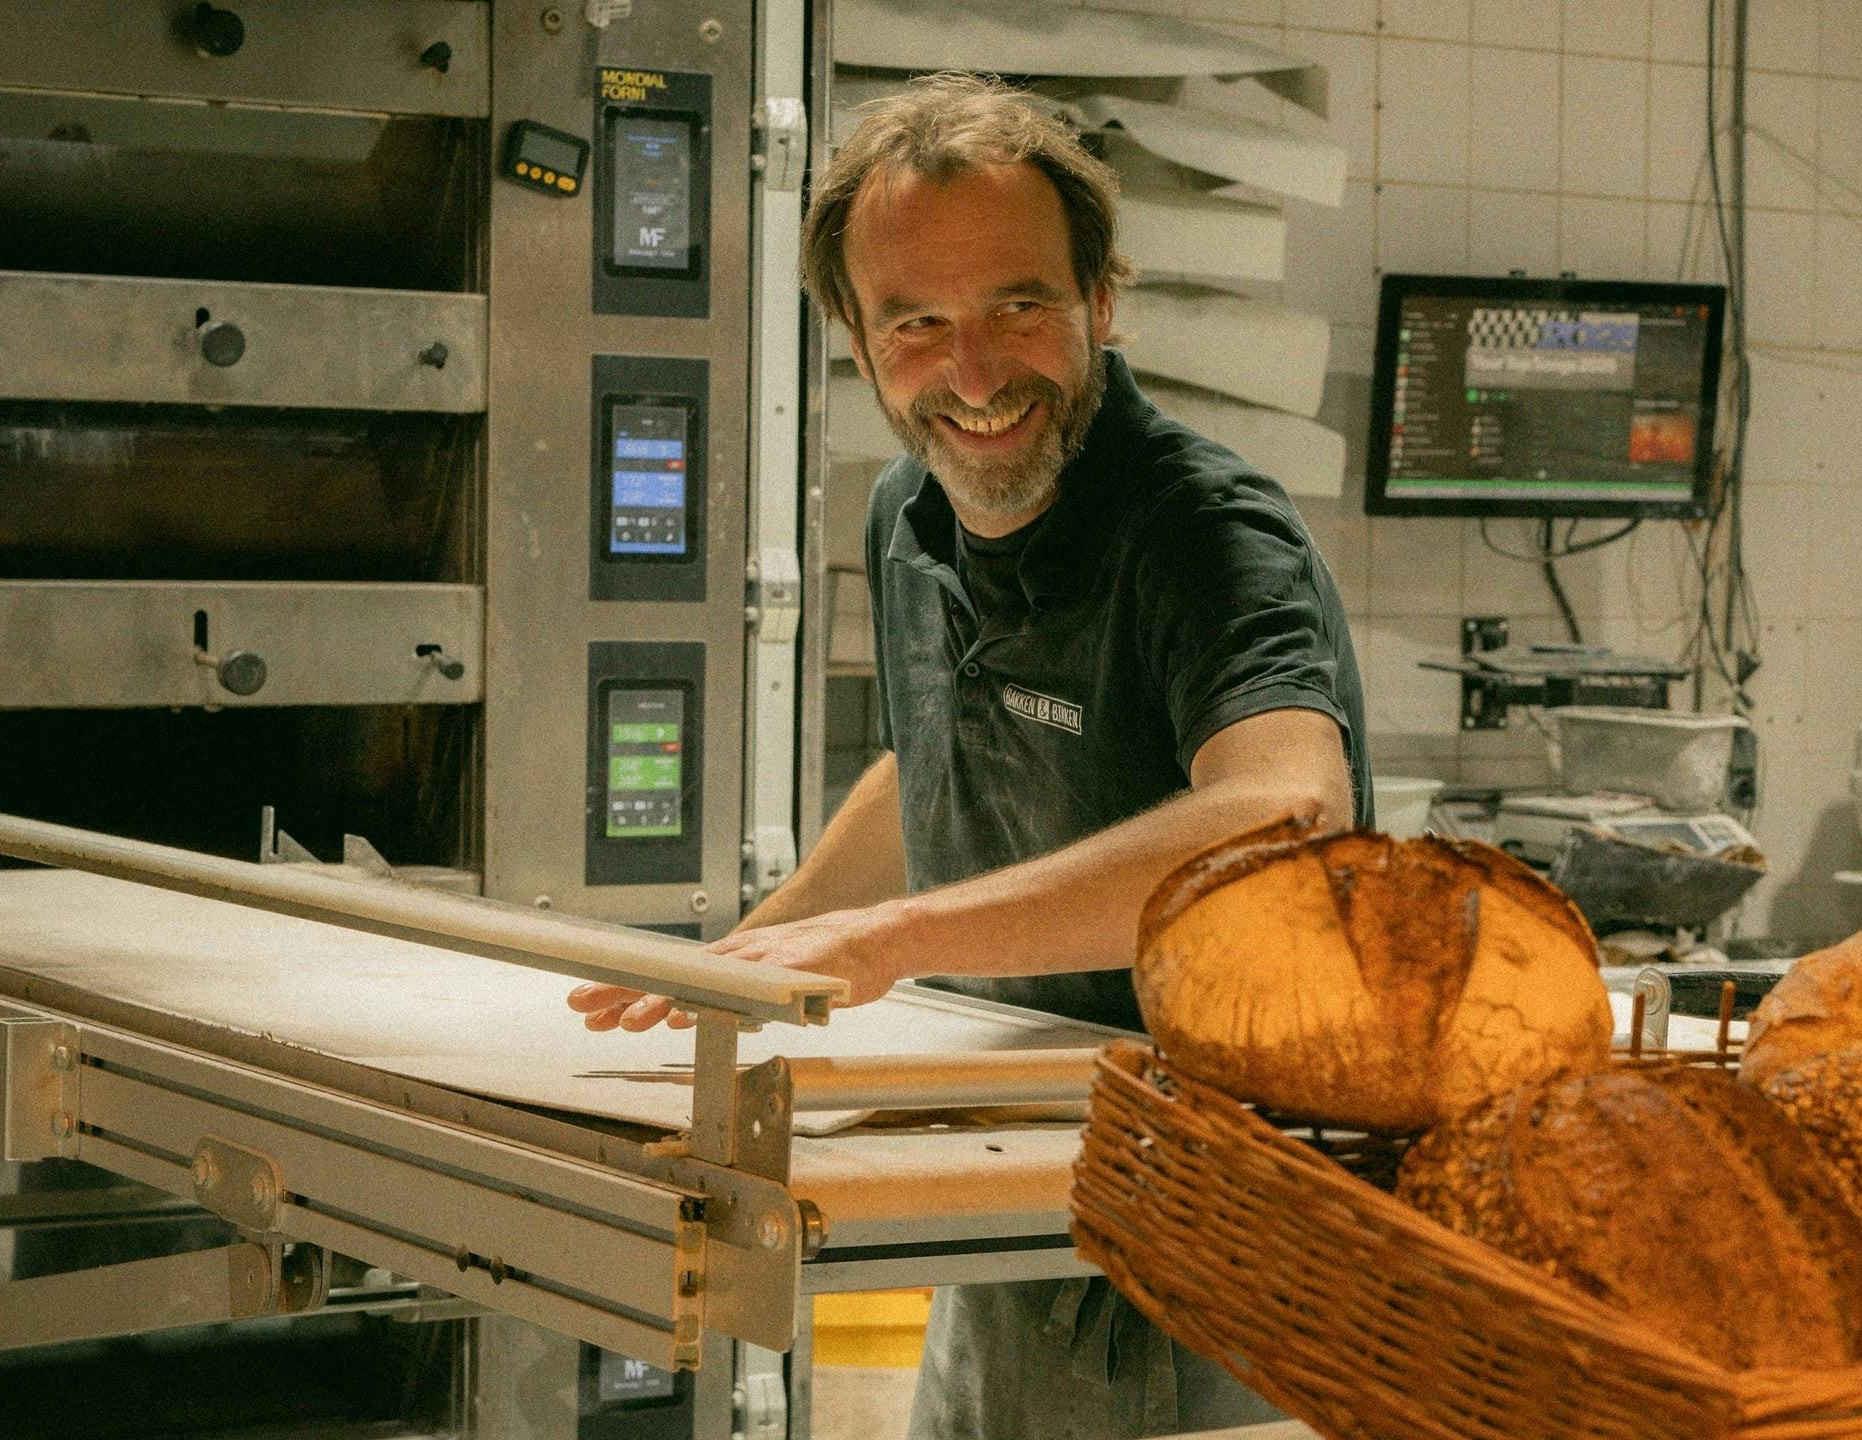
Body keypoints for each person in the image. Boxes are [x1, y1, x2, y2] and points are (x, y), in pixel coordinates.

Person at [567, 73, 1371, 1438]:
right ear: (857, 338)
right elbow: (936, 759)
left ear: (1102, 301)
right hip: (1016, 1187)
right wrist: (748, 966)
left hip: (1217, 1242)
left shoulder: (1202, 534)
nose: (978, 373)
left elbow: (1282, 818)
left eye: (1020, 307)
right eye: (920, 324)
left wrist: (890, 941)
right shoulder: (908, 511)